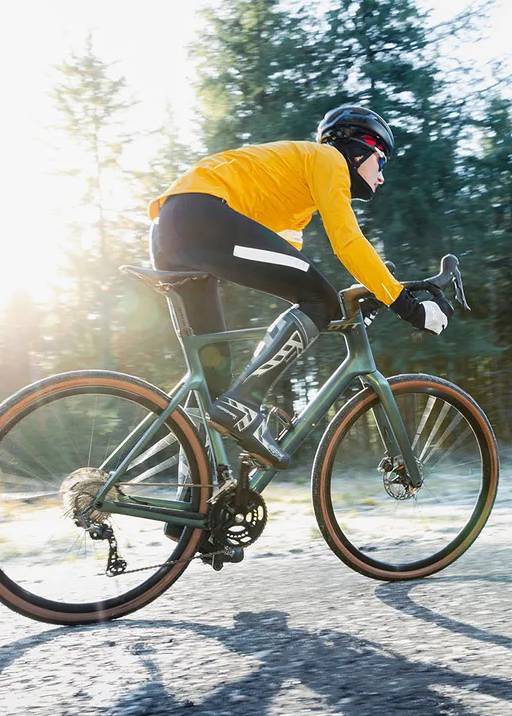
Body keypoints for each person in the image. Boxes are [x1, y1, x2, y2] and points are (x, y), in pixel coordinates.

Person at [148, 104, 453, 471]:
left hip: (174, 230)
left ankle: (188, 516)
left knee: (214, 374)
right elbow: (348, 243)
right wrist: (408, 307)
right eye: (381, 161)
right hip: (200, 215)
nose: (382, 176)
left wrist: (366, 299)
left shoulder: (295, 207)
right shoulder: (328, 159)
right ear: (358, 149)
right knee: (317, 299)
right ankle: (245, 404)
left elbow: (291, 276)